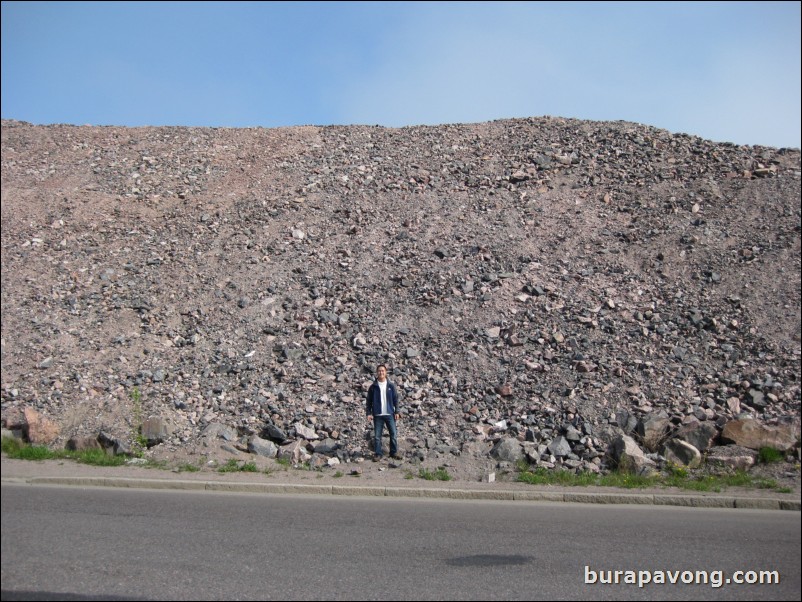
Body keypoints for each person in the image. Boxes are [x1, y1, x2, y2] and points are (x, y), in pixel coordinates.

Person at [365, 364, 401, 460]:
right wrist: (368, 413)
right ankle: (378, 453)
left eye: (383, 371)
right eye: (379, 371)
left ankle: (393, 452)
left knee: (393, 434)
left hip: (389, 413)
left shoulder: (391, 385)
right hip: (378, 414)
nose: (381, 372)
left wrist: (397, 411)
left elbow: (395, 399)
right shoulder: (373, 387)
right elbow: (369, 401)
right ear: (377, 373)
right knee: (377, 436)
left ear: (386, 372)